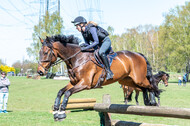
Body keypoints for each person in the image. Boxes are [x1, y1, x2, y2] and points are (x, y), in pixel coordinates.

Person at [71, 16, 114, 80]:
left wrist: (86, 47)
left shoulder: (91, 28)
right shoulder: (83, 32)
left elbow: (96, 41)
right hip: (98, 44)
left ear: (82, 24)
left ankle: (109, 72)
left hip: (105, 41)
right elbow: (87, 44)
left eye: (77, 26)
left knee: (101, 52)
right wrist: (82, 46)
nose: (76, 28)